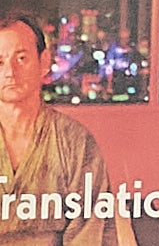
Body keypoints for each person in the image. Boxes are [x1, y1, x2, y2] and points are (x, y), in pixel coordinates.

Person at [0, 15, 122, 246]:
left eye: (21, 58)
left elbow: (91, 233)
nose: (10, 72)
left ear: (44, 61)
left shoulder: (75, 141)